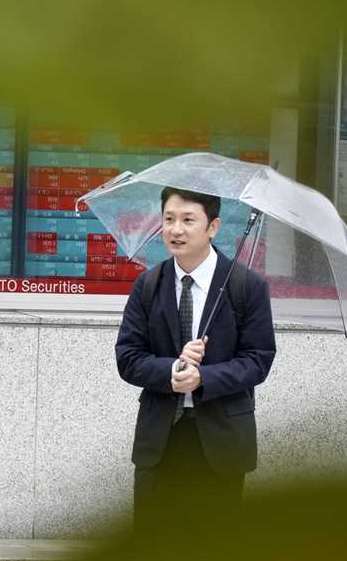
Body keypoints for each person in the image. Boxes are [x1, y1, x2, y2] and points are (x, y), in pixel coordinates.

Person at [115, 187, 276, 527]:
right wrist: (172, 369)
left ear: (212, 227)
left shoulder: (246, 287)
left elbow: (257, 360)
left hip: (221, 443)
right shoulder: (148, 286)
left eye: (188, 220)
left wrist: (204, 377)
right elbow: (128, 357)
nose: (176, 229)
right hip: (160, 441)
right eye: (169, 219)